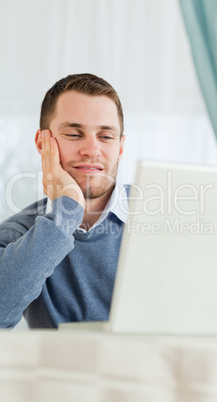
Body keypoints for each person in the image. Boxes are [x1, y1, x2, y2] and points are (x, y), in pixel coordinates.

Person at [0, 73, 129, 329]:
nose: (92, 150)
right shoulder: (17, 233)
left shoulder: (166, 219)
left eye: (105, 137)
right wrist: (67, 208)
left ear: (120, 147)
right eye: (73, 134)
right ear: (42, 143)